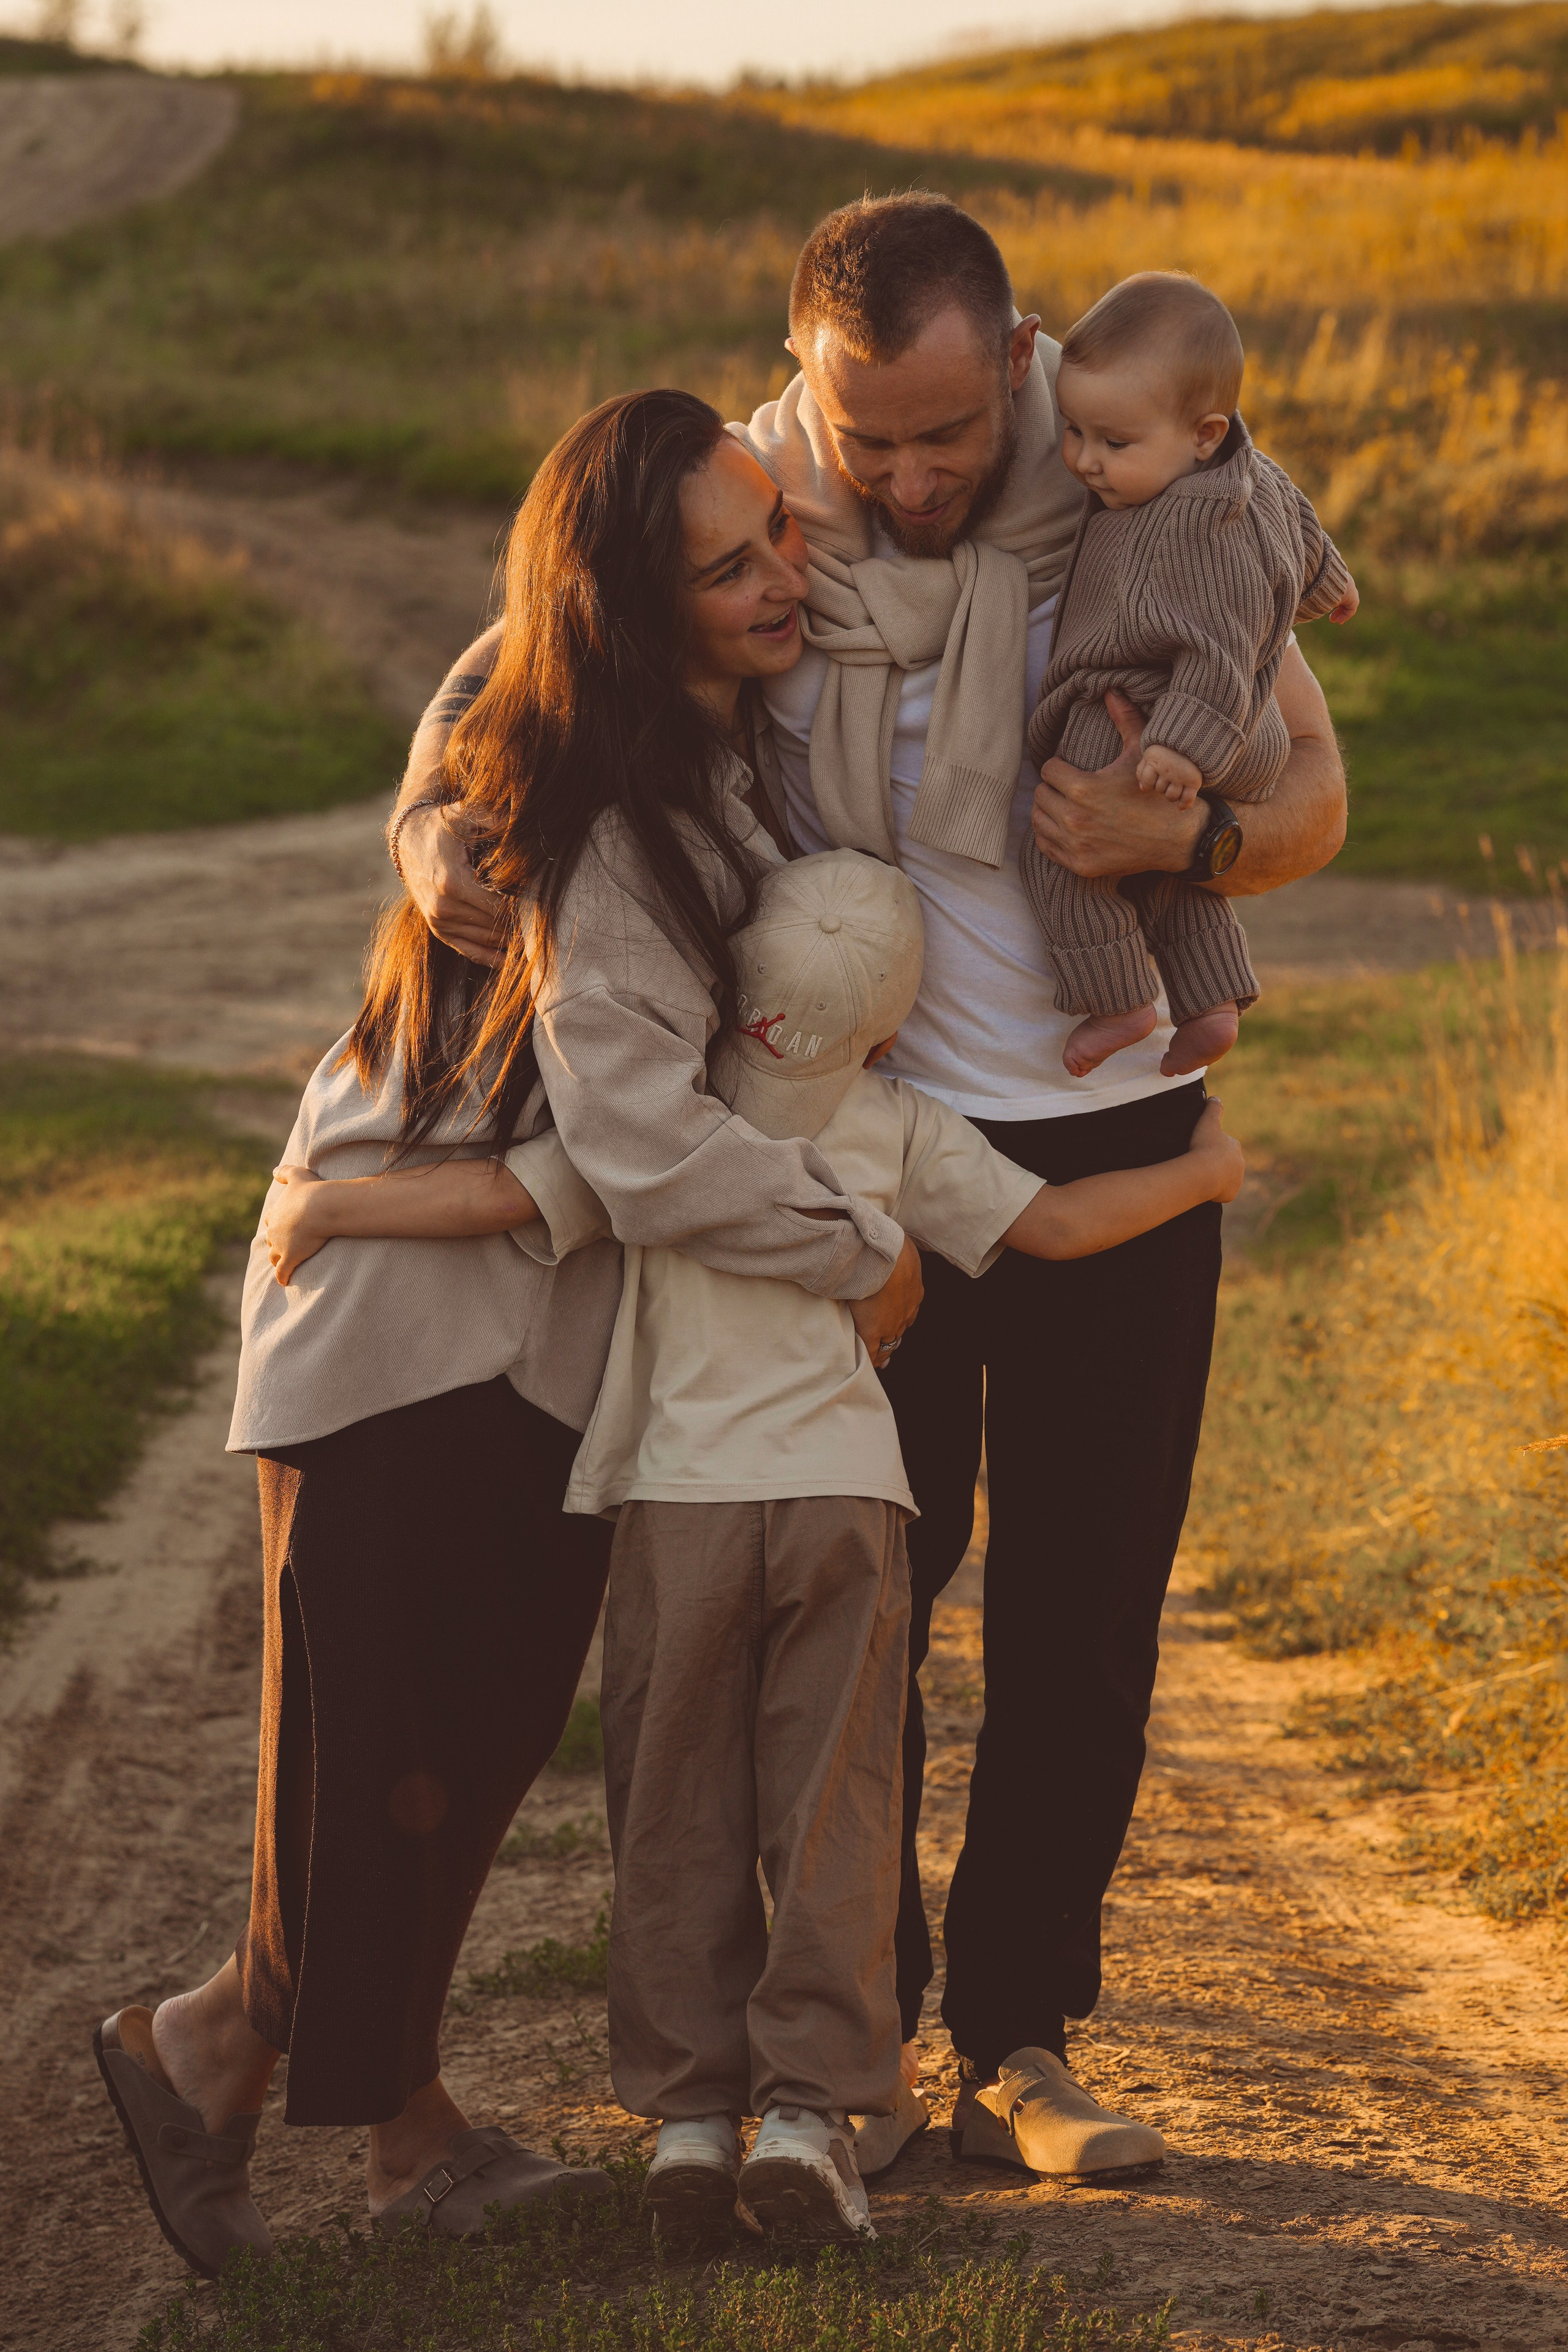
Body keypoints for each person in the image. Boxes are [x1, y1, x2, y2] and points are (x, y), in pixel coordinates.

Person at [390, 195, 1348, 2183]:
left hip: (1116, 1127)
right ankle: (852, 2048)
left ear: (1016, 364)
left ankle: (1023, 2043)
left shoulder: (1134, 473)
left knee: (1086, 1613)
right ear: (804, 377)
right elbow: (517, 664)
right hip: (861, 1151)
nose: (906, 479)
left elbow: (1317, 800)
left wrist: (1198, 836)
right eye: (867, 434)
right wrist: (427, 832)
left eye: (945, 434)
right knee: (856, 1628)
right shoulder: (757, 509)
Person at [92, 388, 919, 2282]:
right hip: (397, 1333)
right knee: (369, 1767)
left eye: (776, 533)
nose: (782, 572)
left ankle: (333, 2104)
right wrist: (849, 1239)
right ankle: (232, 2063)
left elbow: (588, 590)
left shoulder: (688, 734)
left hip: (531, 1342)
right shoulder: (607, 803)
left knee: (447, 1765)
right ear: (643, 610)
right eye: (732, 564)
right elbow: (629, 1139)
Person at [263, 848, 1246, 2244]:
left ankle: (682, 2123)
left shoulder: (674, 1131)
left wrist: (328, 1201)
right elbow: (1064, 1224)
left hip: (680, 1511)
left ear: (728, 1002)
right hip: (848, 1499)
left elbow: (499, 1200)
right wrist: (1202, 1166)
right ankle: (812, 2108)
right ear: (897, 1027)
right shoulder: (899, 1122)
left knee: (673, 1808)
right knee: (832, 1805)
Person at [1019, 271, 1357, 1082]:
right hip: (1211, 721)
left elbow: (1218, 645)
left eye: (1114, 443)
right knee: (1167, 876)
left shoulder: (1190, 527)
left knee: (1064, 840)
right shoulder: (1247, 471)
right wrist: (1330, 584)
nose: (1086, 462)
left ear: (1204, 435)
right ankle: (1209, 1002)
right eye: (1072, 432)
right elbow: (1298, 526)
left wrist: (1179, 750)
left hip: (1169, 711)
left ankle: (1119, 998)